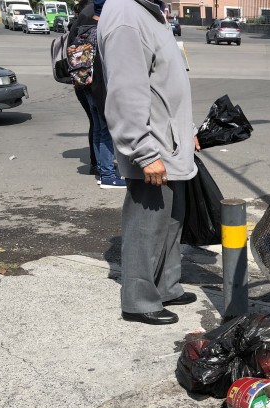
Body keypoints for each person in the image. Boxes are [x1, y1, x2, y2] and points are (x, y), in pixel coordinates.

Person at [97, 0, 201, 325]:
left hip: (169, 143)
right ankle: (139, 301)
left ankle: (166, 286)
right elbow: (126, 92)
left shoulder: (148, 12)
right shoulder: (127, 15)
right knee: (146, 226)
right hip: (153, 148)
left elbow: (166, 83)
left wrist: (189, 131)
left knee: (171, 222)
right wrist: (143, 151)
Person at [69, 0, 126, 189]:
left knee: (98, 129)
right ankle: (108, 175)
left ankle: (102, 170)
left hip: (84, 84)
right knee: (106, 131)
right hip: (99, 86)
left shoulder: (84, 26)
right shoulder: (102, 30)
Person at [69, 0, 97, 176]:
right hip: (93, 79)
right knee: (101, 124)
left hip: (81, 78)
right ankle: (102, 166)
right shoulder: (96, 12)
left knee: (96, 123)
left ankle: (99, 163)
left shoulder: (84, 15)